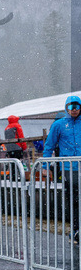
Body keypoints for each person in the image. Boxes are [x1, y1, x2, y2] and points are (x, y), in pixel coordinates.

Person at [43, 96, 81, 243]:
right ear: (66, 108)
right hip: (69, 168)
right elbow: (49, 146)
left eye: (77, 107)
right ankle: (76, 230)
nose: (74, 110)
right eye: (71, 107)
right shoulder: (59, 125)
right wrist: (46, 167)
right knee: (74, 199)